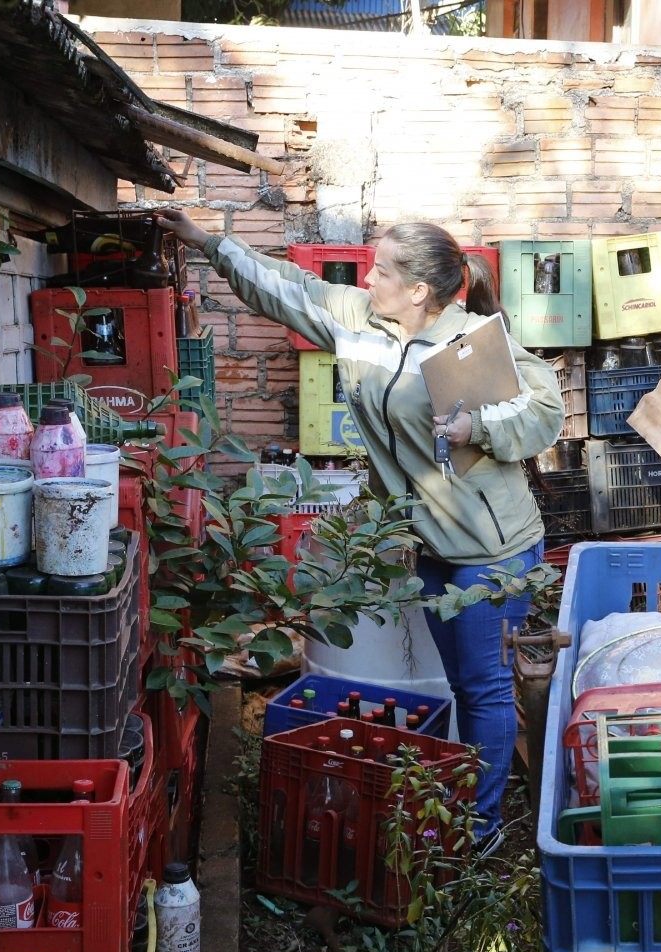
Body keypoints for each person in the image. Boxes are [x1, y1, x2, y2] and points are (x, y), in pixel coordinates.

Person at [156, 208, 563, 852]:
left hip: (496, 547)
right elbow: (283, 287)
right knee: (459, 683)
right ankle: (460, 802)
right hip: (428, 541)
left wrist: (477, 428)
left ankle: (481, 830)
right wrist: (209, 242)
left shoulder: (475, 343)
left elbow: (545, 411)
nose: (367, 276)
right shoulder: (358, 324)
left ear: (419, 290)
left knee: (484, 687)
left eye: (381, 269)